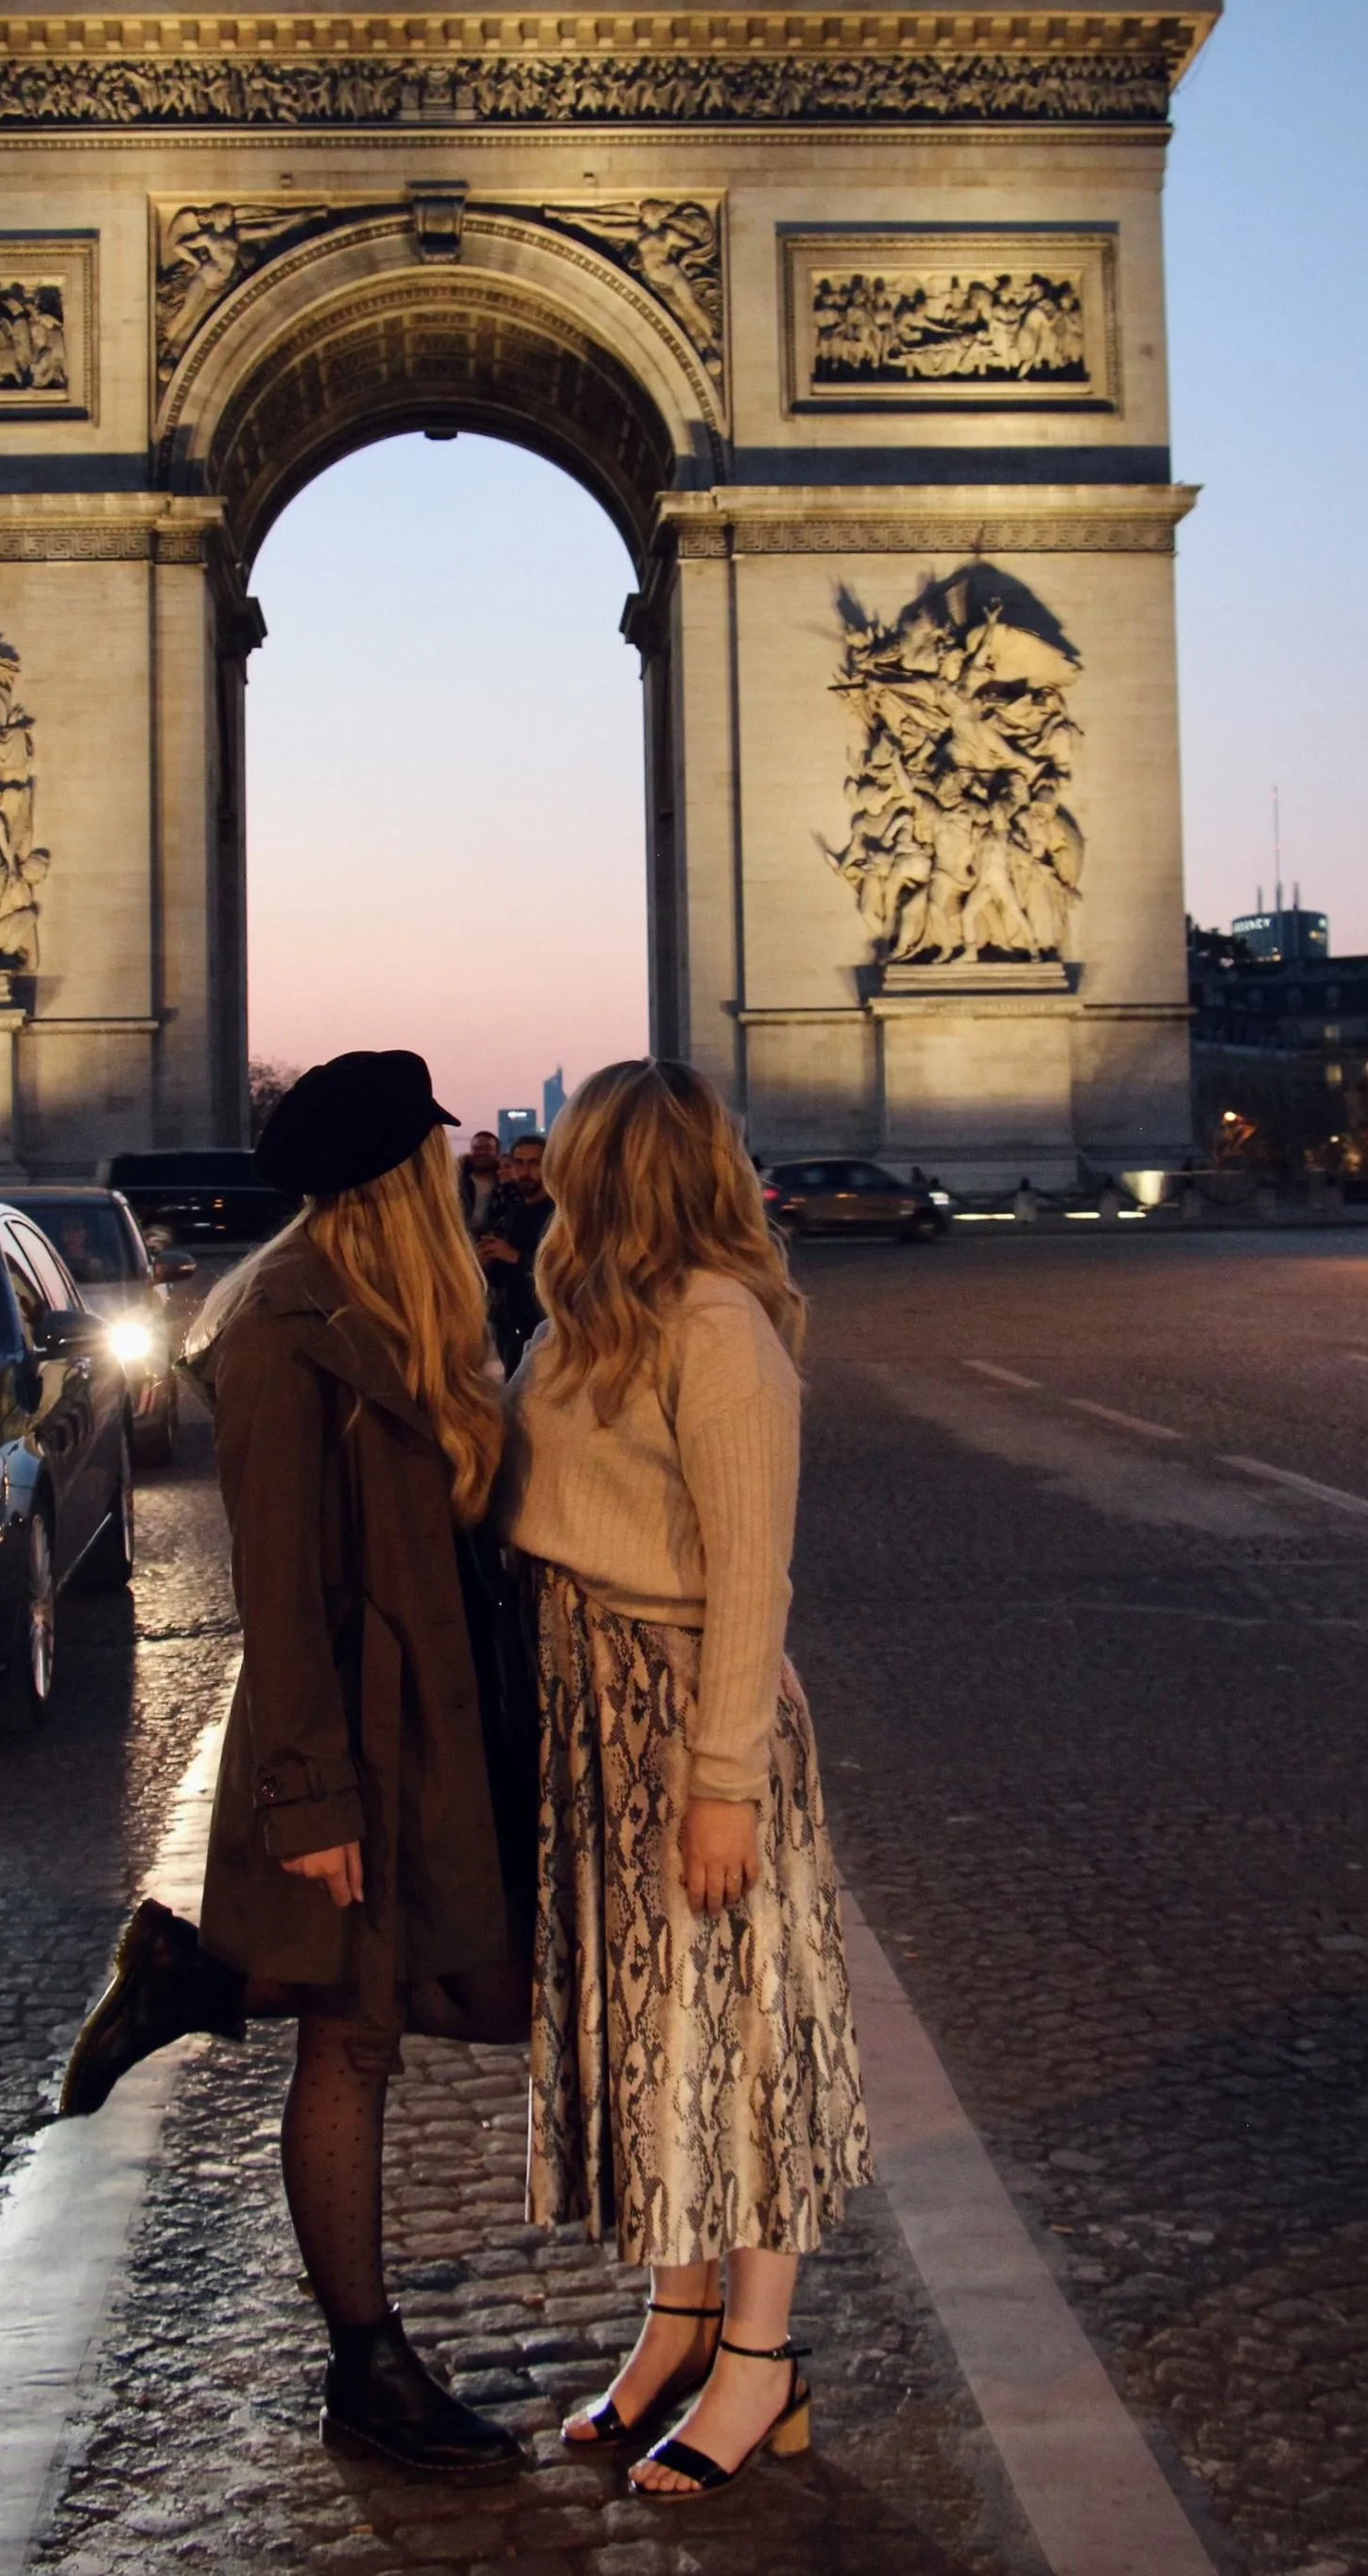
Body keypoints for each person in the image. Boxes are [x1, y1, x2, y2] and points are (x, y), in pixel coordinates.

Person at [57, 1050, 529, 2479]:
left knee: (498, 1993)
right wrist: (309, 1800)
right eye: (431, 1155)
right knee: (358, 2029)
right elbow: (272, 1588)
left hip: (449, 1716)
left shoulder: (409, 1304)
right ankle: (365, 2365)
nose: (454, 1172)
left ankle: (206, 1974)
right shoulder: (271, 1327)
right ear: (392, 1175)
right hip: (355, 1733)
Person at [505, 1059, 870, 2501]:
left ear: (608, 1168)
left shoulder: (720, 1332)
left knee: (745, 2044)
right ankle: (679, 2314)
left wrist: (722, 1777)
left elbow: (748, 1572)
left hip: (682, 1727)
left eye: (568, 1153)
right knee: (661, 2046)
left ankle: (762, 2356)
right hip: (596, 1723)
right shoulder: (584, 1322)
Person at [478, 1132, 553, 1372]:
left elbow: (569, 1266)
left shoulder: (559, 1214)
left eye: (534, 1163)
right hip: (511, 1328)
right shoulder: (514, 1212)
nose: (525, 1171)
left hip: (546, 1326)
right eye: (519, 1163)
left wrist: (517, 1256)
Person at [458, 1129, 504, 1238]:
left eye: (487, 1148)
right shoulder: (457, 1179)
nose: (481, 1152)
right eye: (477, 1148)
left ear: (497, 1153)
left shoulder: (504, 1184)